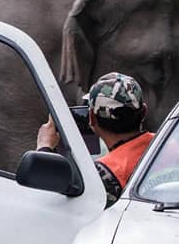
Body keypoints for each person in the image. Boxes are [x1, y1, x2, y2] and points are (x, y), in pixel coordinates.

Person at [37, 72, 154, 206]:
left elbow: (53, 199)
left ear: (91, 118)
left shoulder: (105, 174)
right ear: (144, 112)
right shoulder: (168, 143)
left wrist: (44, 146)